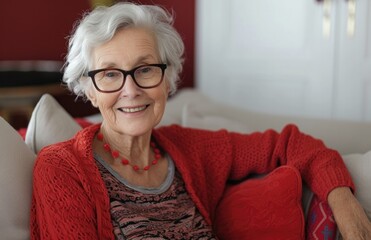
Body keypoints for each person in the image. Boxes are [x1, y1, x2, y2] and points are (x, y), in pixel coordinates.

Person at [30, 2, 371, 239]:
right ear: (90, 90)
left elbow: (290, 144)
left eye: (146, 69)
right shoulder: (62, 168)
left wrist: (345, 204)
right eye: (109, 74)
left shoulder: (192, 149)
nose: (130, 90)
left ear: (167, 79)